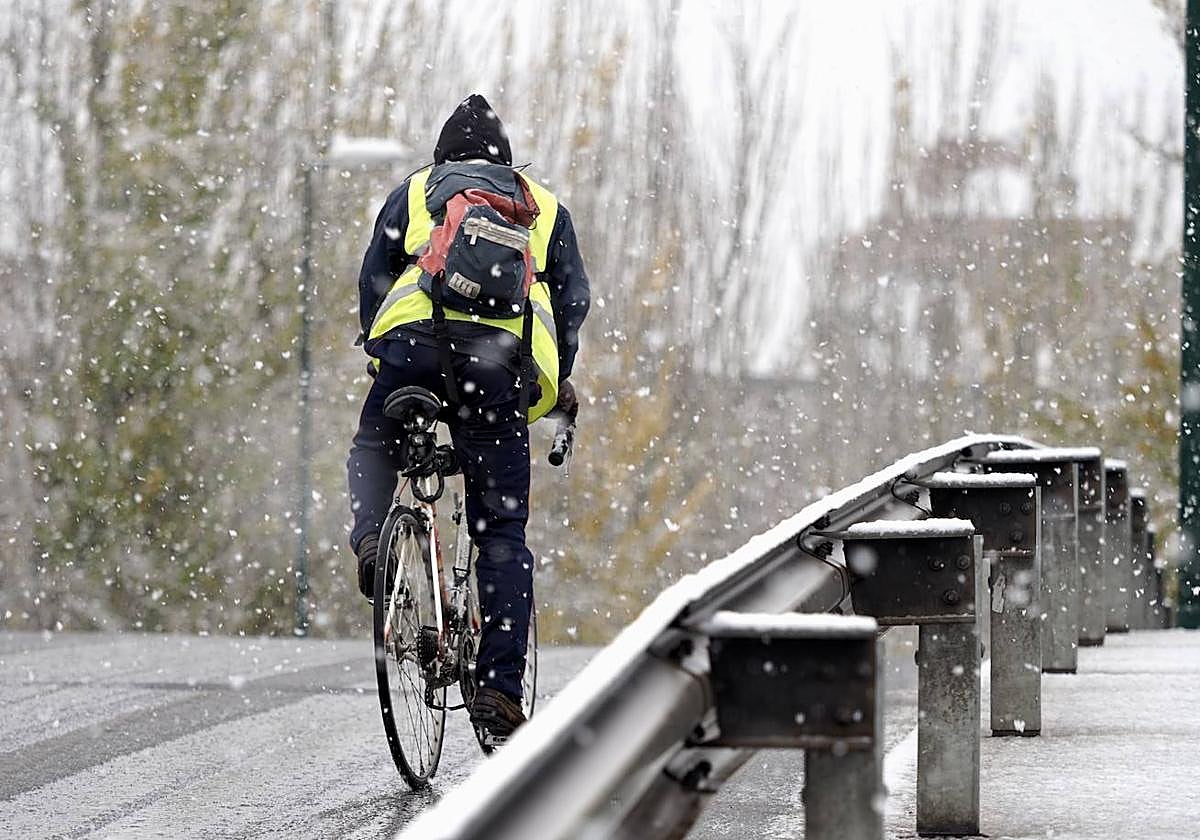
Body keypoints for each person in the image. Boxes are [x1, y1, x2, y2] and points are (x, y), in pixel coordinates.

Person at [347, 94, 590, 740]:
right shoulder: (542, 209)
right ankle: (500, 694)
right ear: (507, 161)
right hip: (497, 365)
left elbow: (374, 278)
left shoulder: (418, 191)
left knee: (373, 447)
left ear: (444, 156)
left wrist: (383, 353)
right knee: (502, 530)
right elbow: (573, 302)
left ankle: (376, 538)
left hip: (415, 345)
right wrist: (557, 376)